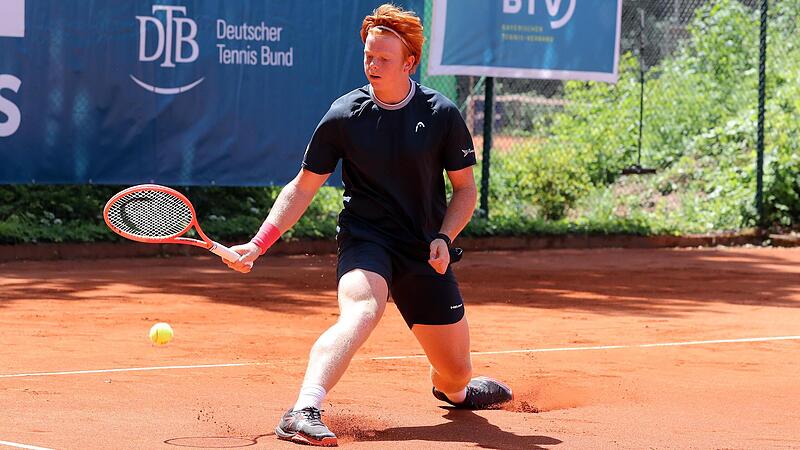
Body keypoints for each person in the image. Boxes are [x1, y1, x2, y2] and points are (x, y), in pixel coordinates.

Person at [223, 4, 512, 447]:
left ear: (409, 62)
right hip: (366, 238)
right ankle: (303, 409)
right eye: (368, 56)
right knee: (362, 310)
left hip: (423, 248)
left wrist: (444, 236)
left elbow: (465, 190)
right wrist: (259, 243)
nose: (372, 65)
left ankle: (456, 393)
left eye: (383, 58)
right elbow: (302, 187)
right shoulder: (345, 115)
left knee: (456, 374)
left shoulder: (441, 114)